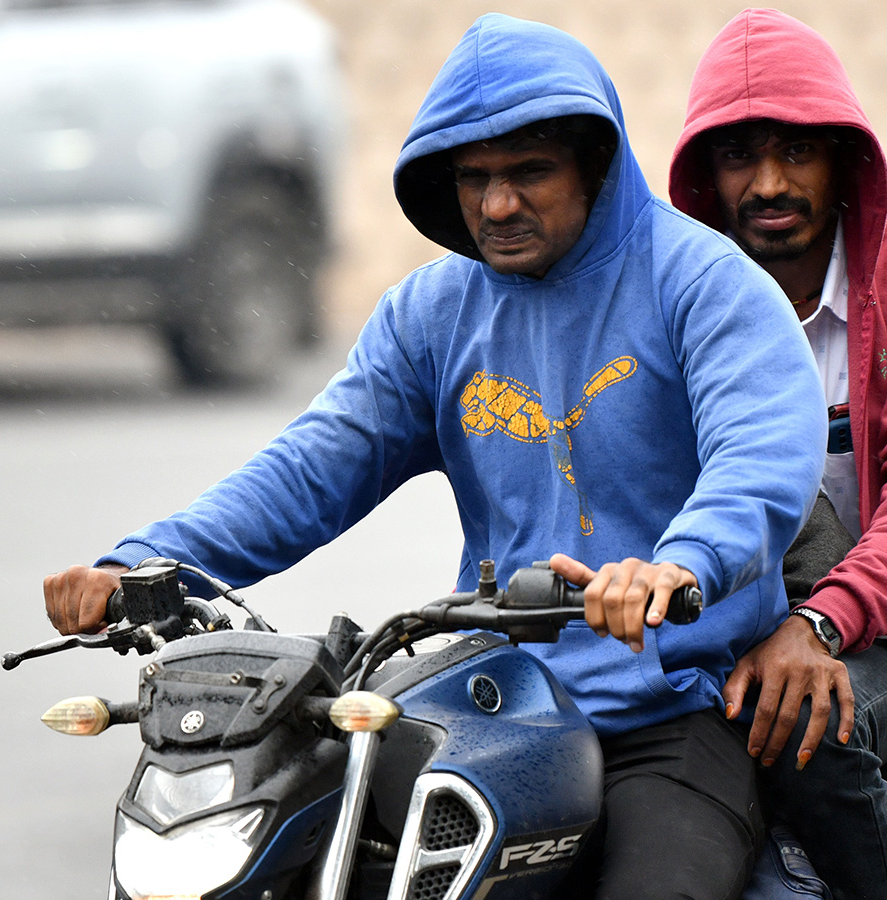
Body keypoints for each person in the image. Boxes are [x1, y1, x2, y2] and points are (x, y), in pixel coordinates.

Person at [44, 14, 827, 900]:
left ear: (596, 168)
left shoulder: (705, 285)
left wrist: (676, 569)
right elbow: (310, 472)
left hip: (675, 709)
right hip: (500, 701)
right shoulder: (433, 314)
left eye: (530, 172)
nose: (497, 205)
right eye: (475, 178)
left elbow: (759, 462)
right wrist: (147, 563)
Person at [668, 10, 887, 900]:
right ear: (706, 174)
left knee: (801, 722)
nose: (770, 182)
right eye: (740, 156)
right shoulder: (678, 298)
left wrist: (817, 624)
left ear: (843, 158)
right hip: (720, 626)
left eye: (796, 152)